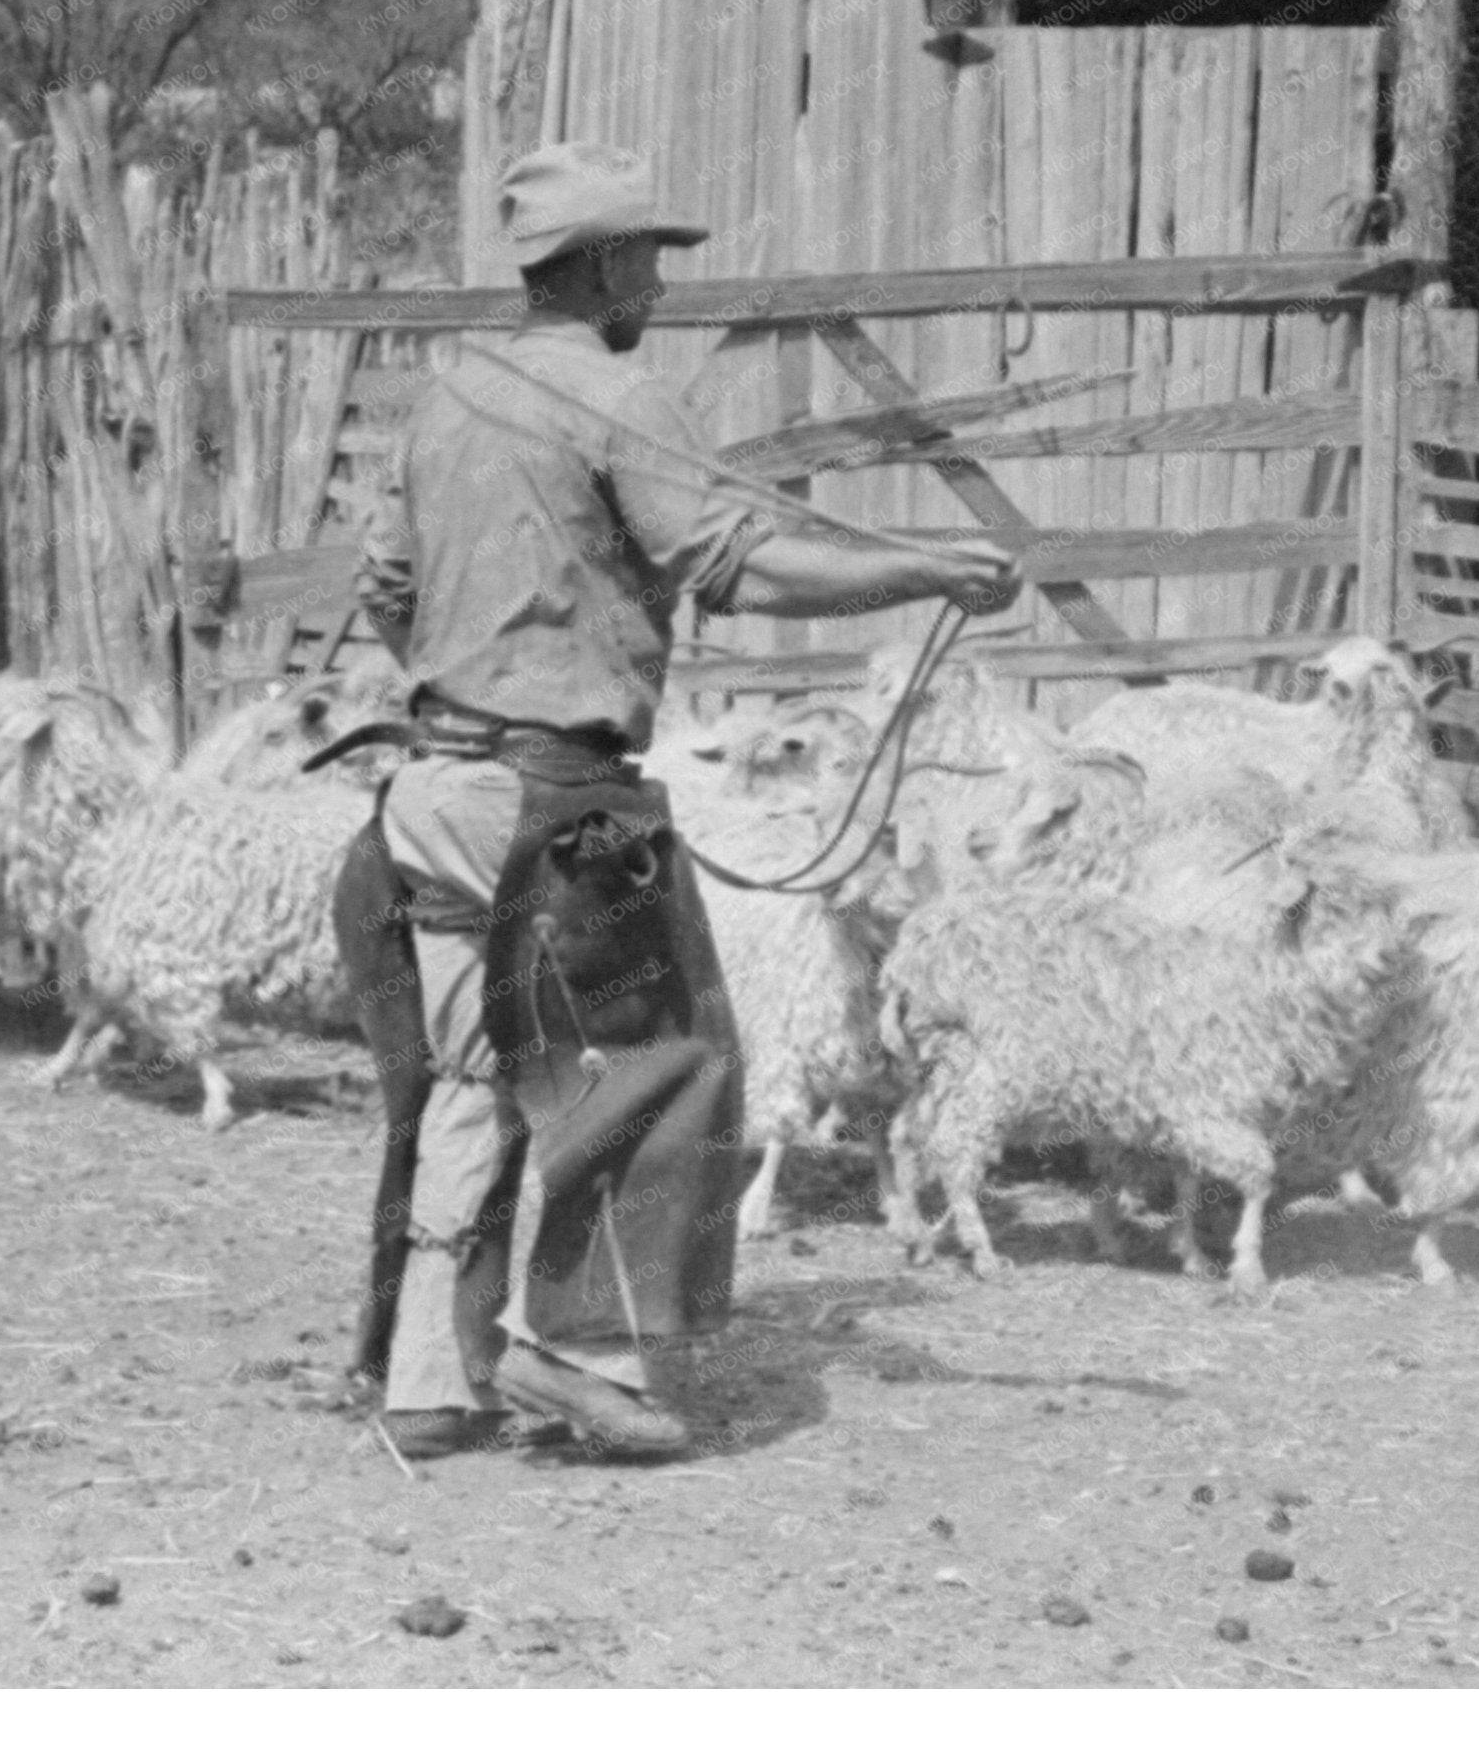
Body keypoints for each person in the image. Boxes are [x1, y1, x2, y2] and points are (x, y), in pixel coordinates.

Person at [334, 142, 1018, 1460]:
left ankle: (428, 1374)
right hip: (560, 792)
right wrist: (922, 574)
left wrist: (473, 651)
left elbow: (382, 585)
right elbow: (732, 564)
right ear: (597, 265)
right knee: (665, 1059)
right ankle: (578, 1352)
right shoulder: (620, 391)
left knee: (475, 1071)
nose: (658, 276)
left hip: (427, 789)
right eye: (648, 254)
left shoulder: (445, 397)